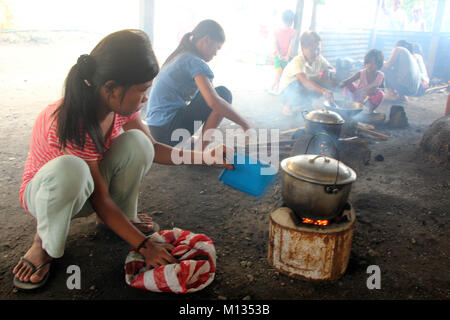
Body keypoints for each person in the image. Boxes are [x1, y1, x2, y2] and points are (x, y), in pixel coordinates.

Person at [12, 29, 233, 290]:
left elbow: (153, 148)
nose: (146, 98)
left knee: (138, 143)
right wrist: (145, 245)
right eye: (142, 90)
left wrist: (205, 157)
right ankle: (42, 242)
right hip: (48, 196)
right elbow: (100, 200)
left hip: (85, 188)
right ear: (111, 88)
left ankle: (120, 219)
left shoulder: (116, 107)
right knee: (70, 170)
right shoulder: (71, 120)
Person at [145, 20, 251, 151]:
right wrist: (245, 125)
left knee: (213, 93)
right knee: (223, 94)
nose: (216, 53)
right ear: (206, 40)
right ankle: (199, 153)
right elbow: (214, 102)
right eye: (217, 48)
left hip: (157, 130)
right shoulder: (193, 61)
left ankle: (193, 145)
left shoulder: (180, 56)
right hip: (167, 132)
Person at [278, 30, 335, 116]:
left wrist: (330, 72)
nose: (316, 53)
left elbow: (331, 68)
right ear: (303, 48)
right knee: (301, 82)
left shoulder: (319, 58)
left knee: (324, 81)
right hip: (286, 94)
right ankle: (287, 106)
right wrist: (323, 91)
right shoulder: (297, 61)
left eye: (318, 49)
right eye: (312, 50)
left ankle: (306, 103)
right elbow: (304, 81)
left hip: (302, 89)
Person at [268, 9, 297, 95]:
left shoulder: (277, 31)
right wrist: (285, 55)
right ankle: (274, 88)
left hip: (281, 56)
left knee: (279, 72)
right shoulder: (292, 32)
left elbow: (275, 43)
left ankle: (274, 88)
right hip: (283, 56)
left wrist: (282, 55)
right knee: (280, 73)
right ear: (292, 21)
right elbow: (290, 45)